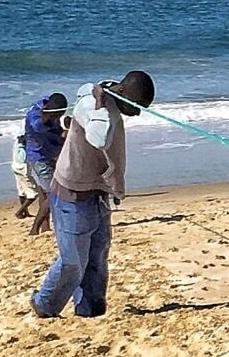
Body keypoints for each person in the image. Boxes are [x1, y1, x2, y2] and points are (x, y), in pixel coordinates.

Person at [30, 70, 154, 321]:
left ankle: (90, 309)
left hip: (97, 193)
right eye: (136, 106)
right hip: (72, 194)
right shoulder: (90, 105)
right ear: (121, 93)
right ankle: (44, 304)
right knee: (73, 261)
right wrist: (99, 103)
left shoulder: (111, 101)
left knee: (97, 255)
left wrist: (116, 187)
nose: (137, 113)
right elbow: (99, 138)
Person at [19, 91, 70, 233]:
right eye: (54, 117)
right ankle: (35, 228)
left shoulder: (50, 104)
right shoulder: (35, 116)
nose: (57, 118)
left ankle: (45, 226)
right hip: (39, 157)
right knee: (54, 192)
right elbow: (37, 126)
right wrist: (45, 116)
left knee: (46, 192)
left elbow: (55, 131)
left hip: (50, 154)